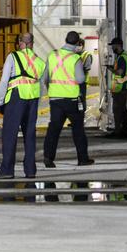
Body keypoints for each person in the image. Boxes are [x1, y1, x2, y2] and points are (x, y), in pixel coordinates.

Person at [0, 32, 45, 179]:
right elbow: (42, 85)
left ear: (20, 42)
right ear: (32, 44)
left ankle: (7, 170)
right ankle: (30, 171)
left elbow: (4, 81)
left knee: (10, 135)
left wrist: (1, 101)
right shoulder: (40, 62)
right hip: (32, 100)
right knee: (30, 135)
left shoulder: (13, 57)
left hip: (16, 99)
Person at [43, 30, 95, 168]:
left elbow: (45, 78)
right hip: (72, 100)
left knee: (54, 129)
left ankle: (48, 157)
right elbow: (80, 79)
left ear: (65, 40)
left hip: (55, 99)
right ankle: (82, 159)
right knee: (78, 129)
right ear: (78, 43)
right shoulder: (75, 58)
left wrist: (52, 90)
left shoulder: (52, 55)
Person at [107, 37, 127, 139]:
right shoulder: (124, 56)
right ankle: (124, 131)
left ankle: (118, 131)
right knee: (123, 110)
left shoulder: (122, 58)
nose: (112, 48)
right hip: (123, 87)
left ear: (118, 45)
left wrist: (111, 69)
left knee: (118, 110)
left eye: (113, 46)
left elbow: (119, 72)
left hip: (121, 88)